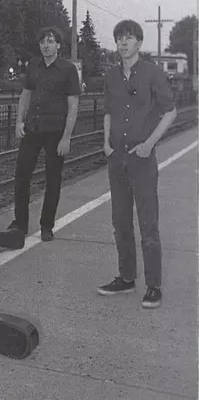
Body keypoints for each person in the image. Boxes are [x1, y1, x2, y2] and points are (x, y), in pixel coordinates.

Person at [97, 20, 176, 309]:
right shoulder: (111, 76)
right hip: (116, 158)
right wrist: (106, 144)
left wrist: (149, 143)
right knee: (120, 221)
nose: (123, 42)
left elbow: (170, 111)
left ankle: (153, 286)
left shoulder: (153, 73)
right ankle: (126, 278)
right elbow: (108, 112)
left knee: (148, 223)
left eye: (129, 38)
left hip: (142, 159)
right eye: (119, 38)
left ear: (139, 43)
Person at [0, 26, 80, 248]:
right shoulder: (33, 65)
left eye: (50, 41)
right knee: (22, 175)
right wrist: (19, 121)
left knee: (53, 179)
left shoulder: (68, 69)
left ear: (58, 45)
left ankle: (46, 226)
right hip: (33, 128)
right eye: (43, 42)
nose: (46, 46)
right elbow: (26, 95)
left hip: (56, 131)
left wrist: (67, 137)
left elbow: (73, 104)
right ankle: (20, 224)